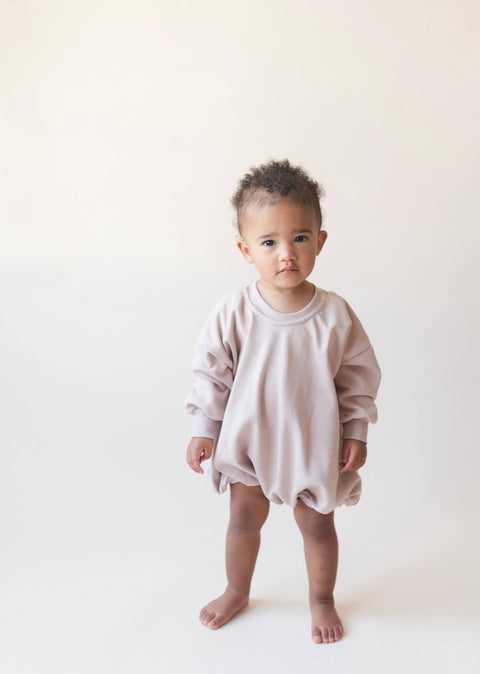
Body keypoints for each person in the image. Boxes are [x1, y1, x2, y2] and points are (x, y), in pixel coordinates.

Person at [185, 159, 381, 644]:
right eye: (269, 242)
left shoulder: (334, 315)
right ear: (246, 250)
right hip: (250, 442)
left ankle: (322, 598)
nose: (286, 253)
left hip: (311, 446)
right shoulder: (233, 311)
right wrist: (205, 428)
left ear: (320, 241)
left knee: (317, 525)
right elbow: (212, 373)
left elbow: (357, 378)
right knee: (243, 519)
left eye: (300, 237)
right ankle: (236, 589)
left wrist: (356, 431)